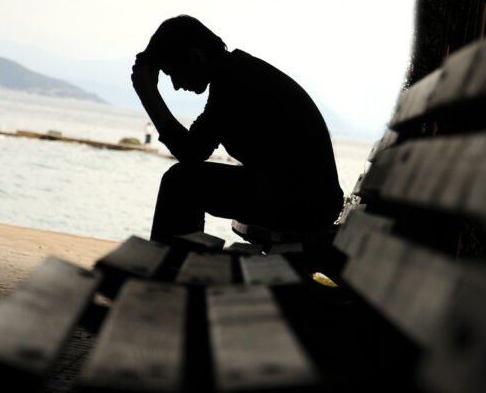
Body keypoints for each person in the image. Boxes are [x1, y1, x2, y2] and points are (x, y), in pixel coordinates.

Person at [131, 15, 344, 246]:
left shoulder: (234, 81)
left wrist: (149, 96)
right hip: (306, 198)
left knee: (181, 183)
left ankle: (167, 269)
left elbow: (191, 151)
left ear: (195, 57)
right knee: (183, 180)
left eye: (173, 72)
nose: (175, 85)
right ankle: (173, 264)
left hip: (305, 203)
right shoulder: (235, 74)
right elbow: (195, 147)